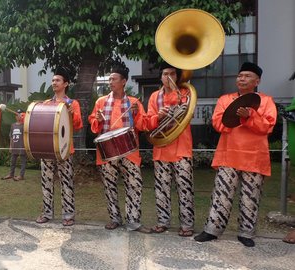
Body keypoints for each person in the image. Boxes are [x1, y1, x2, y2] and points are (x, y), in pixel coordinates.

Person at [194, 62, 277, 247]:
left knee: (251, 196)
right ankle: (212, 230)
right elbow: (218, 123)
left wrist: (250, 117)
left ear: (257, 81)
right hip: (228, 154)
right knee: (221, 194)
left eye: (247, 76)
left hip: (254, 156)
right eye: (240, 76)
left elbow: (268, 127)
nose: (242, 79)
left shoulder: (266, 101)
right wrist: (239, 117)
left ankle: (246, 233)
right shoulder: (225, 99)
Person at [88, 69, 151, 233]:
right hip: (107, 151)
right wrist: (98, 119)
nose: (110, 82)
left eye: (114, 79)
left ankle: (134, 221)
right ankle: (115, 218)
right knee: (109, 186)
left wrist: (137, 114)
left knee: (135, 184)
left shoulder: (133, 102)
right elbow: (93, 124)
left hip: (129, 151)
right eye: (109, 79)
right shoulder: (101, 102)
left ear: (124, 81)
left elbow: (142, 125)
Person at [146, 62, 195, 237]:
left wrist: (176, 103)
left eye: (172, 74)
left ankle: (187, 225)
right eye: (165, 74)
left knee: (184, 188)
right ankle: (162, 222)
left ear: (177, 76)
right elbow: (148, 120)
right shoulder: (154, 96)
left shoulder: (186, 92)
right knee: (161, 188)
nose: (168, 77)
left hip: (181, 147)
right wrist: (158, 116)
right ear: (161, 77)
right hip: (161, 147)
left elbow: (190, 114)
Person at [35, 68, 83, 226]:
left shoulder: (72, 103)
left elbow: (77, 125)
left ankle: (68, 215)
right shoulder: (46, 104)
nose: (54, 83)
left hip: (65, 150)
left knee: (66, 182)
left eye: (57, 80)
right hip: (47, 149)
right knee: (46, 182)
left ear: (66, 84)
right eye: (53, 80)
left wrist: (71, 114)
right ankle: (47, 213)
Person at [1, 109, 27, 181]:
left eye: (20, 115)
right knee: (12, 161)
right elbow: (11, 136)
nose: (18, 116)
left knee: (23, 161)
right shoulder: (13, 125)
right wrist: (10, 146)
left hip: (22, 146)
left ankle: (21, 175)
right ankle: (11, 174)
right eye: (16, 115)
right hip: (14, 146)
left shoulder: (25, 125)